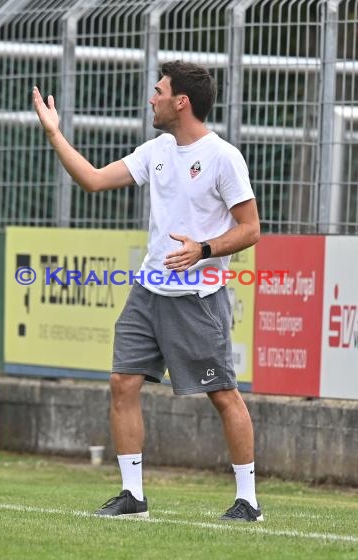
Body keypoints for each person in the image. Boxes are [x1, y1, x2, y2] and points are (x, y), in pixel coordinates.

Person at [33, 60, 262, 522]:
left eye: (158, 90)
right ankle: (132, 496)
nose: (151, 98)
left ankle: (248, 502)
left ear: (181, 101)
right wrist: (55, 134)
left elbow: (252, 228)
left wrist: (203, 248)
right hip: (147, 291)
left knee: (223, 395)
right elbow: (94, 180)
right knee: (122, 382)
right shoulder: (156, 149)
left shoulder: (223, 157)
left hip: (199, 297)